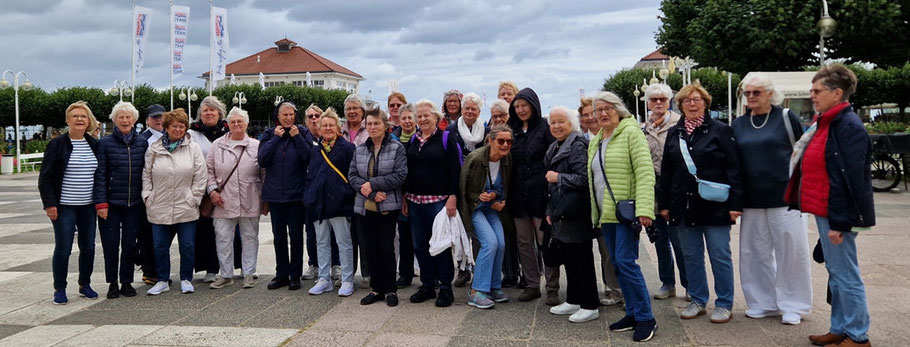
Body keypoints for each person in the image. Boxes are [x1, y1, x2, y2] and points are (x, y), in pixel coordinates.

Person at [787, 65, 874, 347]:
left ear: (837, 93)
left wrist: (840, 222)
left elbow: (851, 181)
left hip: (837, 214)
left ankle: (858, 336)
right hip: (825, 210)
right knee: (837, 275)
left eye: (817, 90)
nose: (812, 95)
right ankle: (840, 328)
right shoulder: (828, 121)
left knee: (847, 275)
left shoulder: (848, 126)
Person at [658, 83, 742, 324]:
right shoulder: (675, 132)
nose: (692, 104)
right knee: (691, 255)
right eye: (687, 101)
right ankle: (697, 299)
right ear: (681, 105)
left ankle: (724, 303)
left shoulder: (720, 130)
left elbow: (734, 168)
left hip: (714, 205)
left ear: (706, 102)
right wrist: (664, 204)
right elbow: (667, 169)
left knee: (719, 254)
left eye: (697, 100)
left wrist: (735, 204)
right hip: (683, 205)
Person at [732, 74, 812, 325]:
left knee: (791, 251)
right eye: (747, 93)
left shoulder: (786, 118)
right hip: (752, 198)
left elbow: (804, 152)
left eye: (756, 92)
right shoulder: (739, 124)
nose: (751, 97)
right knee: (754, 252)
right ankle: (762, 302)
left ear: (770, 93)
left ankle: (793, 305)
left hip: (785, 197)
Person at [588, 92, 657, 341]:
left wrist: (645, 210)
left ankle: (647, 318)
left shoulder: (631, 132)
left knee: (627, 263)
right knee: (617, 264)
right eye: (599, 110)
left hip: (626, 213)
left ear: (619, 109)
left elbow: (645, 172)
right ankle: (633, 312)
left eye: (608, 109)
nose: (603, 113)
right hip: (606, 213)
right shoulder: (598, 139)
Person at [40, 101, 103, 304]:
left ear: (88, 121)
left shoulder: (94, 144)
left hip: (87, 205)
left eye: (83, 116)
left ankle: (85, 284)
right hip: (64, 205)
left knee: (89, 247)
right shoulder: (57, 145)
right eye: (75, 116)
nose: (79, 119)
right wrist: (50, 204)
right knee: (64, 247)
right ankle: (60, 287)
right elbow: (46, 177)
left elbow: (100, 175)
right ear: (68, 120)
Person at [543, 107, 600, 323]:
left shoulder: (577, 145)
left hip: (576, 212)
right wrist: (550, 211)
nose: (556, 126)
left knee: (581, 259)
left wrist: (559, 177)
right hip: (561, 212)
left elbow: (584, 179)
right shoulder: (555, 146)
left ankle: (589, 304)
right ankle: (574, 299)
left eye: (561, 122)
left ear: (571, 124)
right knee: (569, 258)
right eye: (553, 122)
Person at [143, 108, 208, 295]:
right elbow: (146, 174)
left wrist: (194, 198)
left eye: (181, 126)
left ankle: (186, 278)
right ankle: (162, 279)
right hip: (159, 204)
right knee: (160, 246)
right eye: (174, 126)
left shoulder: (193, 147)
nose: (178, 129)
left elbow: (200, 175)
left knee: (187, 245)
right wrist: (148, 196)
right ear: (166, 128)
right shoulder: (154, 148)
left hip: (185, 204)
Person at [404, 99, 461, 307]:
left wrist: (453, 196)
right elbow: (408, 172)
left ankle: (445, 288)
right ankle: (427, 285)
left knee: (441, 245)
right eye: (419, 116)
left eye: (426, 115)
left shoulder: (447, 138)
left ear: (436, 117)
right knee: (420, 245)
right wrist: (405, 196)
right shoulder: (413, 140)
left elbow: (456, 170)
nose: (422, 119)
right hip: (415, 201)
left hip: (438, 202)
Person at [349, 107, 408, 307]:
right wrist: (371, 192)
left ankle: (390, 289)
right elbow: (352, 176)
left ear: (385, 126)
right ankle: (376, 289)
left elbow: (400, 175)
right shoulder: (360, 149)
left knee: (386, 247)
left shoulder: (396, 148)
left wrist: (374, 184)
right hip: (365, 205)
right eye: (370, 123)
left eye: (377, 123)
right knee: (370, 248)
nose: (373, 127)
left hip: (387, 206)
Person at [506, 87, 558, 304]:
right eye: (516, 107)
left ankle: (553, 288)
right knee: (524, 243)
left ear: (533, 105)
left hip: (540, 195)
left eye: (523, 106)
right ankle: (531, 284)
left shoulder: (545, 128)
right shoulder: (512, 129)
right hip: (518, 196)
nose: (520, 110)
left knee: (545, 242)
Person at [95, 101, 148, 299]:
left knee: (129, 244)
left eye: (128, 117)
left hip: (134, 204)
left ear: (134, 120)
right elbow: (100, 174)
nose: (125, 120)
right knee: (110, 245)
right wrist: (101, 203)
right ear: (115, 120)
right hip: (110, 204)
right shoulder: (105, 143)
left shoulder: (142, 142)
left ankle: (126, 281)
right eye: (121, 117)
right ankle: (112, 283)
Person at [206, 107, 264, 289]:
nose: (236, 125)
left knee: (249, 237)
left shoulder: (256, 146)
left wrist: (265, 199)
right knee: (223, 238)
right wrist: (212, 191)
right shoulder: (217, 145)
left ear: (246, 124)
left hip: (250, 197)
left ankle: (248, 273)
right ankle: (226, 274)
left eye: (240, 121)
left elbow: (264, 173)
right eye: (233, 122)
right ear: (228, 124)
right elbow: (208, 171)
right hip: (223, 199)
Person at [458, 125, 513, 309]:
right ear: (490, 141)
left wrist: (495, 197)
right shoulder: (475, 159)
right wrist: (483, 198)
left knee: (501, 243)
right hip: (475, 209)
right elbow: (464, 190)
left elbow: (505, 186)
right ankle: (476, 291)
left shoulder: (506, 159)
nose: (505, 145)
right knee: (490, 243)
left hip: (491, 208)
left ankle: (493, 286)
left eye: (509, 141)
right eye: (501, 141)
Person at [642, 84, 688, 301]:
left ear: (669, 102)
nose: (658, 103)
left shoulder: (680, 124)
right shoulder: (644, 128)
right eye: (654, 99)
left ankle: (689, 285)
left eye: (662, 99)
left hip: (676, 190)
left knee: (680, 241)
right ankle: (667, 283)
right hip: (654, 191)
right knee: (660, 240)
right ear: (648, 103)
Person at [258, 101, 311, 291]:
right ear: (277, 117)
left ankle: (295, 275)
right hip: (275, 195)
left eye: (291, 114)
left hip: (296, 194)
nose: (288, 118)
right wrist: (275, 139)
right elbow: (262, 160)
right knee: (279, 236)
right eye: (284, 115)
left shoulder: (303, 132)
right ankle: (281, 273)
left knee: (296, 236)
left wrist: (297, 138)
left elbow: (308, 157)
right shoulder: (269, 134)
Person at [305, 108, 357, 297]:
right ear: (319, 128)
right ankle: (324, 278)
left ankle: (347, 278)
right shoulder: (315, 150)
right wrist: (309, 196)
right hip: (318, 203)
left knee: (344, 243)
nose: (327, 128)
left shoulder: (348, 148)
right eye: (324, 125)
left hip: (340, 202)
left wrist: (346, 193)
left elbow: (353, 175)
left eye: (330, 125)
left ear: (337, 127)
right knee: (322, 242)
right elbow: (311, 175)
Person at [579, 96, 622, 305]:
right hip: (588, 204)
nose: (590, 117)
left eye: (592, 112)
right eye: (586, 114)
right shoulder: (581, 139)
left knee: (609, 251)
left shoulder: (614, 136)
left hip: (609, 204)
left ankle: (615, 289)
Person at [188, 96, 229, 283]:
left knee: (228, 230)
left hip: (227, 188)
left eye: (213, 110)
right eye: (205, 110)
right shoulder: (192, 133)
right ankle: (210, 268)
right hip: (202, 189)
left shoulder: (228, 131)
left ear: (219, 113)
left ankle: (231, 266)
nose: (209, 113)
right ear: (200, 115)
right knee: (205, 231)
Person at [301, 104, 341, 283]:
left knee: (334, 232)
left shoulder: (334, 140)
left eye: (317, 115)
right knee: (312, 232)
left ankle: (336, 264)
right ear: (305, 120)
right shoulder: (302, 139)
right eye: (310, 116)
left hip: (332, 193)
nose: (314, 119)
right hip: (311, 193)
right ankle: (314, 264)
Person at [342, 94, 370, 288]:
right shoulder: (339, 130)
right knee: (347, 236)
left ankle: (367, 274)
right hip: (344, 189)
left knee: (364, 234)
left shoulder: (369, 129)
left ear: (362, 111)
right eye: (349, 109)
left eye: (355, 108)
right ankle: (348, 275)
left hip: (364, 188)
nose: (352, 112)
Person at [138, 104, 165, 286]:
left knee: (162, 236)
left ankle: (161, 270)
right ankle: (149, 270)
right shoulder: (144, 139)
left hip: (167, 193)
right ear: (147, 120)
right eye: (154, 117)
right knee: (148, 235)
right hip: (151, 193)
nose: (158, 120)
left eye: (161, 117)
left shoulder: (170, 136)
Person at [391, 103, 417, 288]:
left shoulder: (422, 137)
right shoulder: (393, 139)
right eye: (404, 118)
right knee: (405, 236)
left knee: (424, 236)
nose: (407, 121)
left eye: (410, 117)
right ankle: (405, 274)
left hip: (420, 193)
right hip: (401, 194)